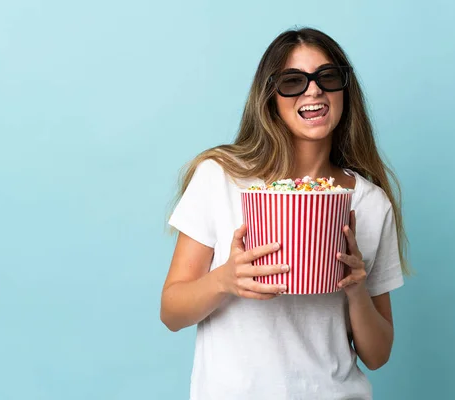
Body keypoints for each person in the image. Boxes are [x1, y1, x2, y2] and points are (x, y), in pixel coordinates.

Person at [160, 27, 411, 400]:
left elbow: (377, 355)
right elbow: (171, 312)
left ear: (345, 91)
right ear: (270, 98)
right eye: (293, 81)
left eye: (327, 77)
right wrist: (225, 280)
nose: (313, 90)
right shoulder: (221, 177)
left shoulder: (370, 203)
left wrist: (357, 289)